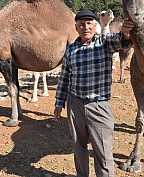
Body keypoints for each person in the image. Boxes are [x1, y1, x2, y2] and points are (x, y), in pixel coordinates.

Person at [53, 9, 134, 177]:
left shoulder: (104, 42)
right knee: (78, 147)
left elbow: (122, 41)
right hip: (75, 105)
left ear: (95, 25)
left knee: (103, 151)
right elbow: (64, 78)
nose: (85, 27)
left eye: (89, 23)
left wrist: (126, 34)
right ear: (76, 27)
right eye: (81, 24)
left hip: (99, 105)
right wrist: (59, 103)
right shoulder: (70, 50)